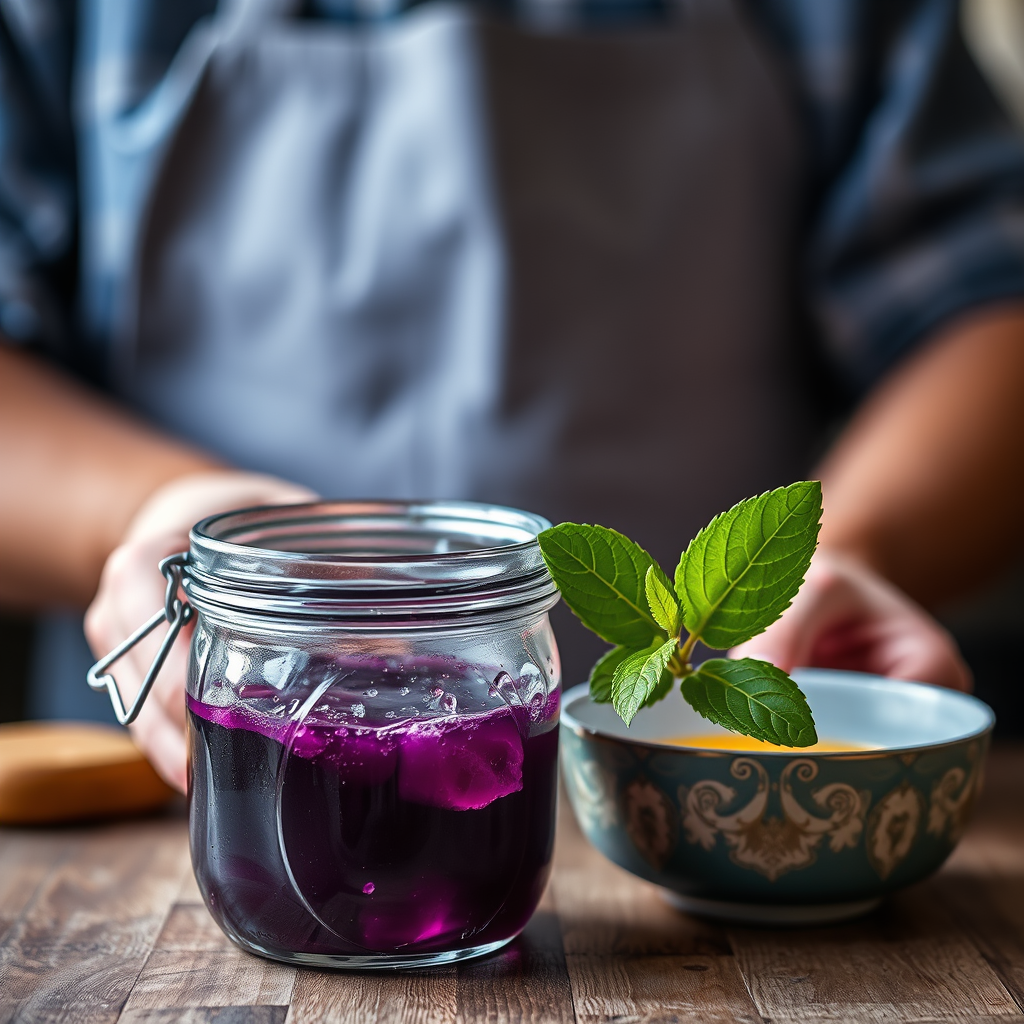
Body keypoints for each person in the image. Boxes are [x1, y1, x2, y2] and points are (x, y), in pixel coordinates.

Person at [1, 0, 1022, 793]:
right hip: (162, 799)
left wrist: (848, 550)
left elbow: (986, 305)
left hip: (724, 777)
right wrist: (157, 515)